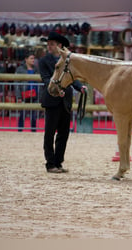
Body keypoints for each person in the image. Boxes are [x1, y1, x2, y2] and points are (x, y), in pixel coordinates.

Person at [39, 31, 87, 173]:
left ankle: (58, 162)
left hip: (65, 100)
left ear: (60, 46)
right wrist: (56, 89)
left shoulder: (67, 61)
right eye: (48, 44)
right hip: (52, 99)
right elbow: (46, 78)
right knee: (49, 133)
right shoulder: (44, 61)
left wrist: (80, 87)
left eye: (52, 44)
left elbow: (72, 77)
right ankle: (50, 163)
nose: (49, 47)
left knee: (64, 133)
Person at [15, 50, 39, 132]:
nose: (33, 60)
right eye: (31, 58)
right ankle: (20, 131)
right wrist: (18, 97)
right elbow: (16, 84)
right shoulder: (20, 69)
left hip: (35, 95)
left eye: (34, 59)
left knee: (34, 116)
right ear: (26, 59)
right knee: (22, 115)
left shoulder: (36, 69)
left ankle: (33, 131)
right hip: (24, 95)